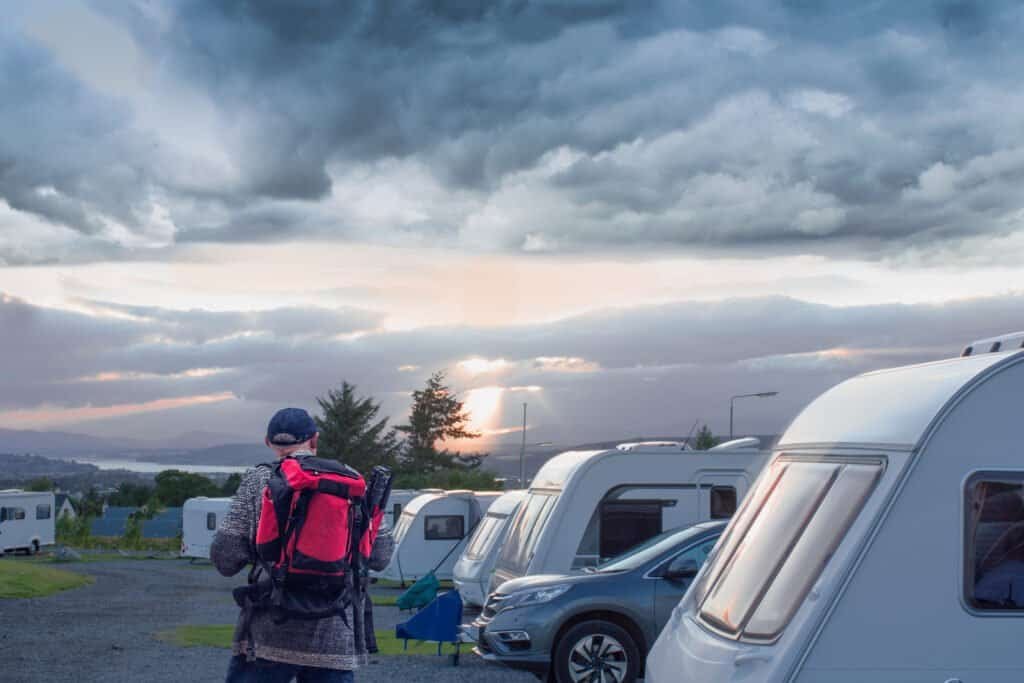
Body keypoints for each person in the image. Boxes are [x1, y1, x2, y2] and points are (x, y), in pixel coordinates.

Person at [212, 407, 394, 683]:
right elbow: (380, 556)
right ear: (314, 440)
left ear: (268, 442)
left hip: (268, 634)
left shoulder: (258, 479)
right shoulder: (352, 481)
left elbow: (225, 560)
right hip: (333, 635)